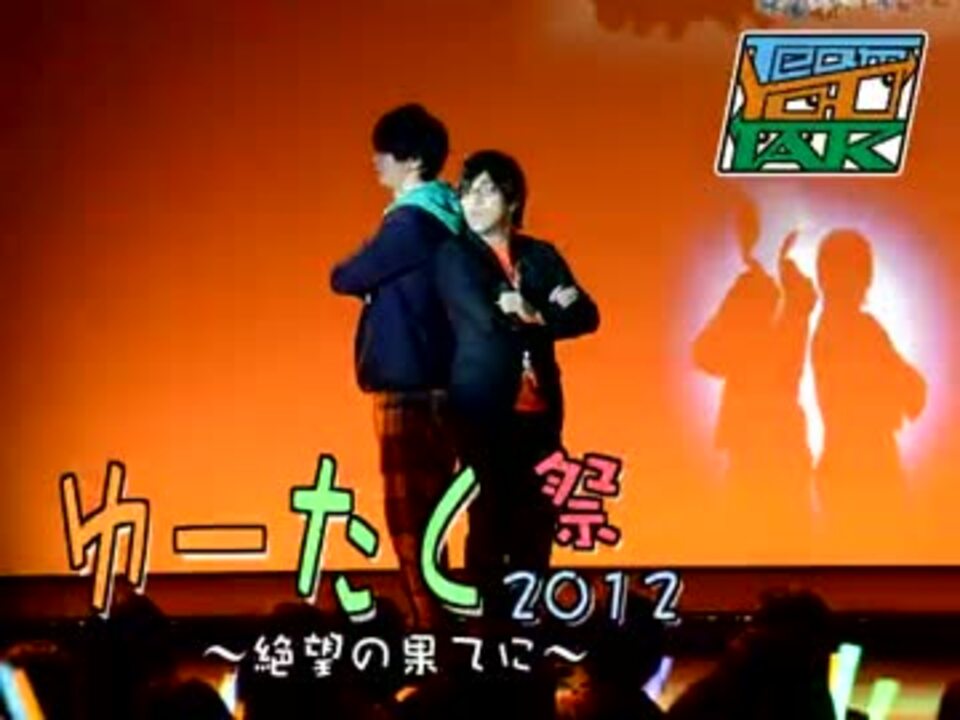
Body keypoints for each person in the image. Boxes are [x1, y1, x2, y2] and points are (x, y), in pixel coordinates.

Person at [436, 149, 600, 619]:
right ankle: (489, 625)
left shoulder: (539, 255)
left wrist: (533, 314)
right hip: (482, 411)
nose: (474, 201)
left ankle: (530, 618)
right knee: (489, 516)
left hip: (539, 412)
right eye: (467, 191)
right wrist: (541, 310)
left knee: (538, 516)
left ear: (512, 200)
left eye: (486, 191)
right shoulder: (455, 254)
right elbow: (485, 320)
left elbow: (585, 314)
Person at [330, 103, 462, 629]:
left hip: (410, 386)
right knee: (433, 516)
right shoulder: (449, 215)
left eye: (384, 152)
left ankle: (433, 633)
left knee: (413, 519)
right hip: (442, 381)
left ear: (410, 160)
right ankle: (442, 628)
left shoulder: (411, 222)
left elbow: (347, 275)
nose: (375, 161)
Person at [811, 229, 925, 526]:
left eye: (856, 270)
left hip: (854, 467)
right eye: (846, 270)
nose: (856, 281)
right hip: (862, 469)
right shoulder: (857, 329)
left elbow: (913, 393)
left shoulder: (855, 328)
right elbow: (910, 392)